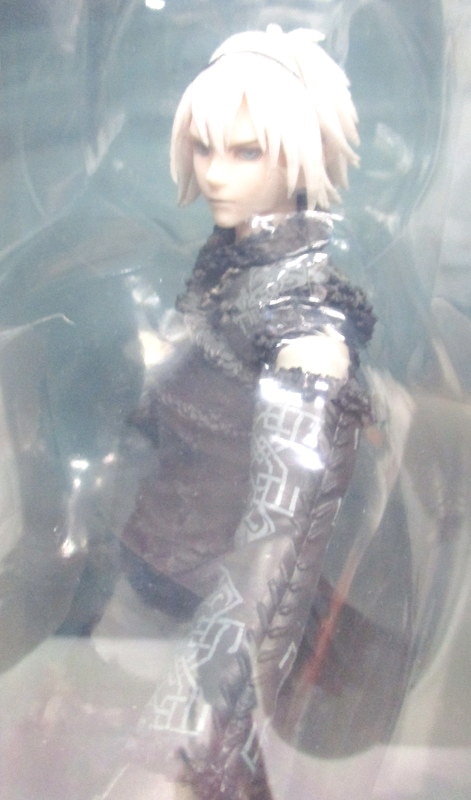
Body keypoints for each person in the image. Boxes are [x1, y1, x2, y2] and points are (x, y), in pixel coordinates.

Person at [114, 24, 375, 800]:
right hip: (151, 575)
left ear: (299, 156)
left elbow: (276, 548)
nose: (215, 174)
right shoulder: (228, 260)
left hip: (223, 622)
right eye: (203, 148)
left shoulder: (307, 329)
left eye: (247, 151)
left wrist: (197, 715)